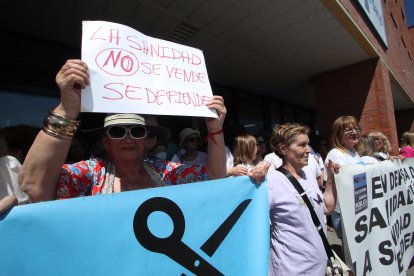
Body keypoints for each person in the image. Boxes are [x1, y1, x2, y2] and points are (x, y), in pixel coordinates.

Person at [19, 59, 267, 202]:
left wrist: (215, 131)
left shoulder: (164, 171)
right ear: (106, 142)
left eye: (137, 131)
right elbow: (33, 186)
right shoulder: (89, 173)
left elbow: (213, 179)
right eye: (117, 131)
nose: (128, 137)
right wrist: (66, 109)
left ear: (148, 141)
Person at [267, 123, 337, 275]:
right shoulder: (272, 181)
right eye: (302, 145)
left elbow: (326, 208)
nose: (308, 150)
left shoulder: (307, 175)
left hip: (318, 267)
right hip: (292, 269)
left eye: (308, 144)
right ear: (283, 149)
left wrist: (330, 177)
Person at [324, 115, 364, 240]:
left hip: (357, 208)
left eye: (357, 129)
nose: (354, 133)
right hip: (344, 211)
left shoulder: (353, 153)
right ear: (338, 134)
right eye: (348, 130)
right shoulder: (335, 154)